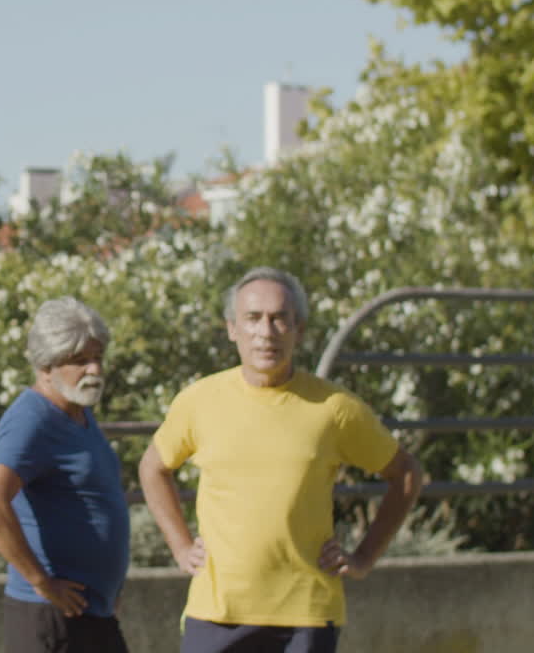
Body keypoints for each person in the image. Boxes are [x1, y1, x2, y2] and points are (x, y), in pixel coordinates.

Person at [138, 267, 422, 653]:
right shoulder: (199, 402)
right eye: (253, 319)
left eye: (278, 319)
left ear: (298, 329)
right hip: (218, 612)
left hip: (305, 616)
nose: (266, 332)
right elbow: (153, 467)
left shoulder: (334, 408)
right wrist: (180, 546)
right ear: (232, 329)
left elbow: (406, 474)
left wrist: (364, 557)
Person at [0, 297, 131, 653]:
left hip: (92, 614)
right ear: (46, 366)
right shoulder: (32, 418)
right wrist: (42, 582)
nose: (94, 370)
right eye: (79, 361)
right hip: (49, 618)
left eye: (97, 358)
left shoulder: (78, 410)